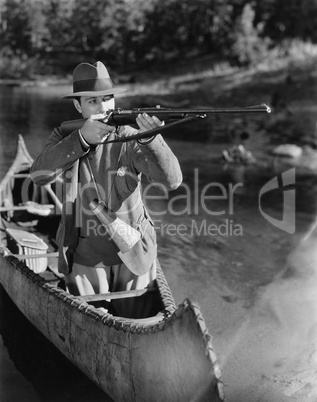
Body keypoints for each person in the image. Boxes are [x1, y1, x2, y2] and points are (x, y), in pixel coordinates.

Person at [30, 61, 182, 318]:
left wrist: (151, 139)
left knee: (139, 318)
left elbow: (172, 181)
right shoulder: (65, 136)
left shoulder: (130, 136)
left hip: (135, 251)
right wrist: (81, 140)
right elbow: (38, 176)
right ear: (78, 106)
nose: (103, 107)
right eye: (93, 101)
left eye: (107, 98)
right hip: (84, 254)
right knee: (87, 318)